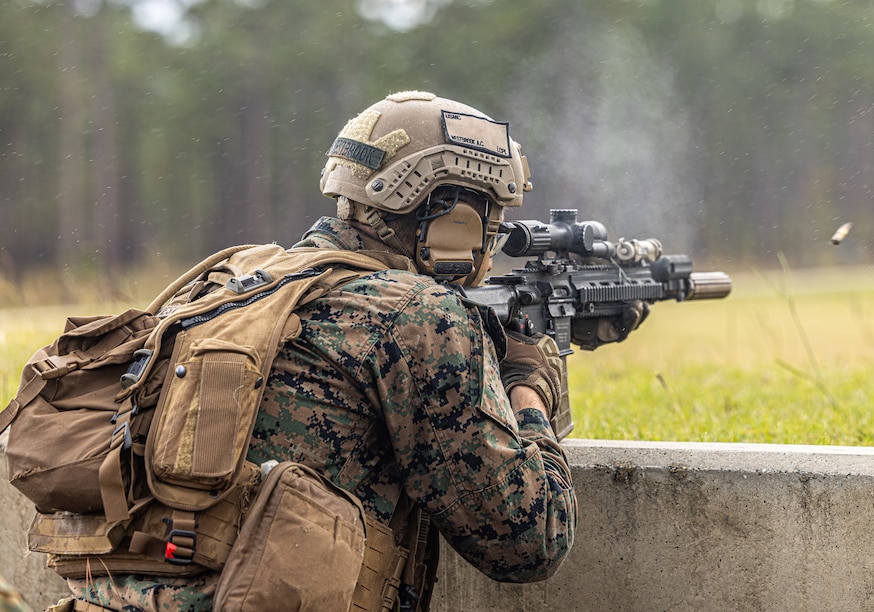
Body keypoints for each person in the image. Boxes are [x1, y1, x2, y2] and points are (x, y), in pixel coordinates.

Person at [65, 91, 576, 611]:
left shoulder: (229, 280)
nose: (492, 241)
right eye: (491, 217)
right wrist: (530, 387)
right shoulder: (421, 315)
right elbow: (531, 542)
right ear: (454, 218)